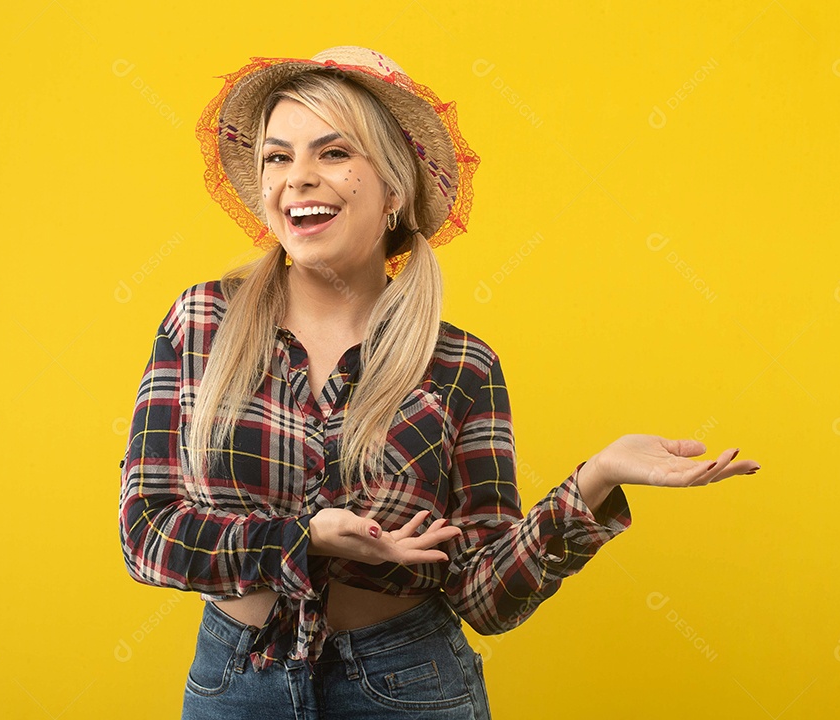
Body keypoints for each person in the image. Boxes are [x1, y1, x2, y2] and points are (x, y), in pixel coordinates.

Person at [118, 46, 760, 720]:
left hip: (408, 687)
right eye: (278, 157)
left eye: (333, 154)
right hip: (236, 687)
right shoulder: (200, 323)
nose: (297, 179)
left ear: (394, 188)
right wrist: (305, 540)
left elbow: (487, 597)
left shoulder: (460, 366)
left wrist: (595, 480)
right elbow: (147, 534)